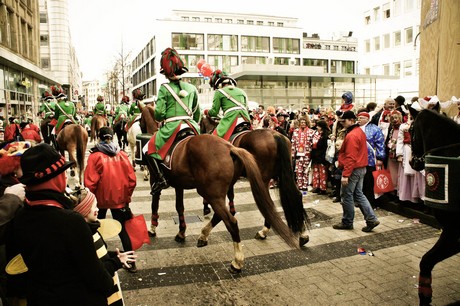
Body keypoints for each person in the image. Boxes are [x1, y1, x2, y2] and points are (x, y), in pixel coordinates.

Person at [6, 143, 114, 305]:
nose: (64, 177)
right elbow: (94, 275)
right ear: (55, 178)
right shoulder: (70, 221)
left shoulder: (20, 215)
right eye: (63, 173)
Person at [146, 47, 201, 194]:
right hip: (191, 126)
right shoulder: (192, 88)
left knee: (149, 148)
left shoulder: (164, 89)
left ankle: (160, 180)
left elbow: (158, 114)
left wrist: (162, 118)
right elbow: (197, 112)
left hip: (172, 126)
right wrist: (193, 122)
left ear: (166, 73)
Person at [84, 126, 138, 273]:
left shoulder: (95, 156)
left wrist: (90, 201)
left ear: (99, 138)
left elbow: (89, 182)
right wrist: (126, 198)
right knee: (123, 231)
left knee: (95, 229)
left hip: (99, 201)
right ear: (113, 137)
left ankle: (99, 259)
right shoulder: (122, 154)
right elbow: (132, 180)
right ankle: (132, 263)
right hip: (119, 200)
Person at [72, 188, 137, 305]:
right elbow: (96, 272)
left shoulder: (92, 230)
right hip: (104, 296)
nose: (97, 210)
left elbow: (98, 257)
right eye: (94, 207)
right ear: (86, 210)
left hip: (108, 196)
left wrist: (113, 255)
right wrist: (117, 261)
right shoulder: (85, 236)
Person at [332, 111, 380, 232]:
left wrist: (346, 175)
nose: (343, 124)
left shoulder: (352, 135)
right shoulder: (359, 131)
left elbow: (351, 157)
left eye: (345, 121)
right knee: (358, 194)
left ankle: (347, 222)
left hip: (353, 169)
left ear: (351, 120)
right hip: (361, 167)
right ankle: (371, 219)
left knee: (347, 195)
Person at [204, 69, 251, 140]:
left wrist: (206, 112)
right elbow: (247, 108)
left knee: (213, 140)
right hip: (245, 119)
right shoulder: (242, 91)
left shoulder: (219, 92)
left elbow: (214, 112)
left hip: (230, 119)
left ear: (219, 84)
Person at [357, 111, 386, 208]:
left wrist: (380, 157)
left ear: (367, 119)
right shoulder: (356, 129)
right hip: (359, 160)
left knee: (370, 182)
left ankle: (371, 202)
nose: (359, 120)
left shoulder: (375, 129)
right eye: (358, 118)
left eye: (361, 118)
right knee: (361, 181)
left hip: (371, 160)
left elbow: (380, 144)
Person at [291, 116, 314, 191]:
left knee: (306, 170)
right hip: (298, 154)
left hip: (307, 154)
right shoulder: (296, 131)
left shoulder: (311, 132)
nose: (303, 124)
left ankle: (305, 185)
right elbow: (293, 143)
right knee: (298, 170)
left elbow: (312, 143)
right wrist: (292, 153)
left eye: (304, 122)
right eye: (302, 122)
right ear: (299, 123)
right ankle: (299, 185)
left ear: (307, 123)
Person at [310, 120, 331, 194]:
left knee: (323, 173)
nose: (317, 127)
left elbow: (325, 147)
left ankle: (323, 188)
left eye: (318, 126)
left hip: (322, 157)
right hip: (315, 156)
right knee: (316, 172)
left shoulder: (326, 135)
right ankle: (316, 186)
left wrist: (323, 157)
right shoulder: (315, 134)